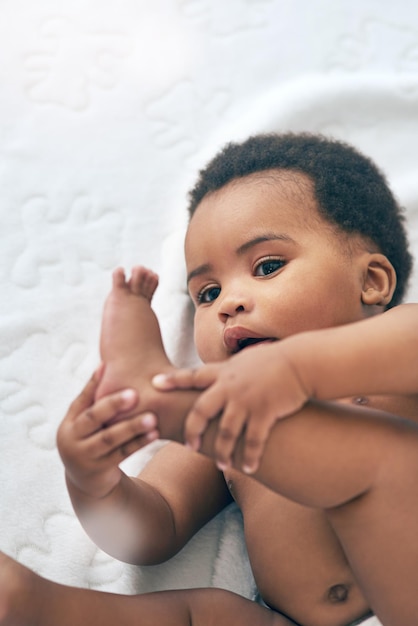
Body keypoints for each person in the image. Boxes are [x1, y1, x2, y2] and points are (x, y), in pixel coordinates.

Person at [1, 133, 418, 626]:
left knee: (384, 459)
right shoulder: (216, 432)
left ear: (372, 282)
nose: (228, 303)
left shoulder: (399, 341)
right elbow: (149, 531)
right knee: (207, 612)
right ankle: (35, 605)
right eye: (206, 292)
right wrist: (92, 480)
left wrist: (294, 369)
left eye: (267, 266)